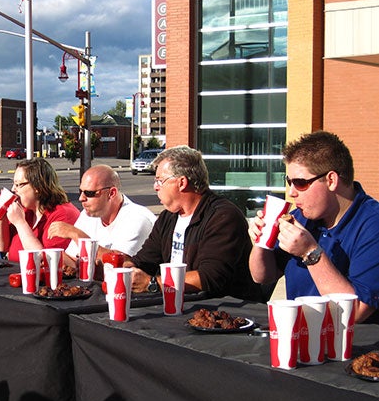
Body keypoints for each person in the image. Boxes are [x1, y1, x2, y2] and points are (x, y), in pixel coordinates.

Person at [248, 131, 379, 322]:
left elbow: (356, 311)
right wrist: (262, 241)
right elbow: (262, 276)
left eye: (300, 183)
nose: (291, 192)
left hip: (352, 346)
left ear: (331, 180)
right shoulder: (302, 218)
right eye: (289, 182)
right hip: (300, 337)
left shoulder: (372, 225)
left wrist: (310, 253)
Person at [124, 145, 263, 301]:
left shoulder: (223, 217)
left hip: (222, 312)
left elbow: (209, 277)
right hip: (176, 304)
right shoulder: (167, 217)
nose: (155, 187)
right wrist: (128, 269)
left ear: (182, 182)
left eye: (160, 181)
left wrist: (152, 283)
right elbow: (145, 260)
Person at [47, 164, 156, 267]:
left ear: (111, 193)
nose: (81, 198)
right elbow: (74, 262)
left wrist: (77, 235)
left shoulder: (137, 218)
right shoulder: (87, 215)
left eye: (89, 193)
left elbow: (120, 265)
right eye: (80, 191)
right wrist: (47, 257)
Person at [0, 157, 80, 262]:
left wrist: (20, 223)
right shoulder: (26, 211)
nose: (13, 190)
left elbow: (48, 261)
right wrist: (1, 216)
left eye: (18, 185)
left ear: (37, 186)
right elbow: (2, 247)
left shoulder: (63, 214)